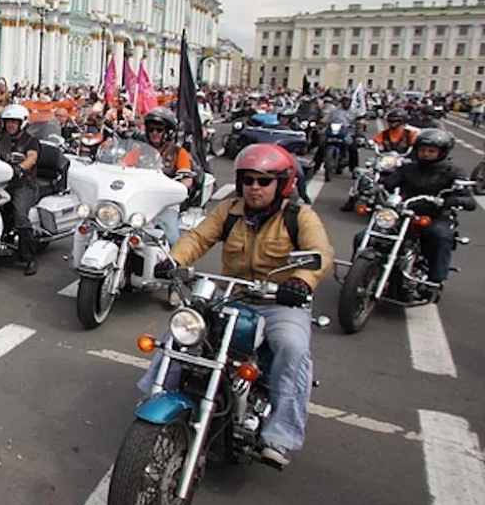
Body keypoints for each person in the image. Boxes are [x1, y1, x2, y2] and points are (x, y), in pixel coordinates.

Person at [149, 143, 334, 469]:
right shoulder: (229, 211)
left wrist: (301, 282)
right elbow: (199, 237)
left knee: (292, 348)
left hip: (279, 301)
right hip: (233, 294)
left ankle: (280, 435)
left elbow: (320, 252)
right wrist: (174, 259)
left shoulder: (299, 216)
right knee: (182, 330)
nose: (254, 188)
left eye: (264, 181)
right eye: (248, 180)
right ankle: (156, 393)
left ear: (283, 184)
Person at [358, 129, 476, 295]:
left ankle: (435, 282)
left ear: (441, 153)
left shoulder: (453, 172)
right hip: (405, 212)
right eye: (423, 150)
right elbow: (388, 183)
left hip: (435, 215)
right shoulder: (408, 168)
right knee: (364, 236)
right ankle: (358, 277)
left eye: (431, 151)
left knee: (439, 236)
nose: (426, 154)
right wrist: (373, 187)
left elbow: (469, 201)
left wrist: (451, 200)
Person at [0, 104, 40, 275]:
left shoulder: (31, 141)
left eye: (14, 122)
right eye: (8, 122)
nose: (10, 125)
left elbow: (32, 158)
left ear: (22, 123)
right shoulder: (1, 139)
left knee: (20, 215)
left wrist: (20, 168)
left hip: (24, 184)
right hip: (1, 182)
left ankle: (29, 258)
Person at [142, 108, 193, 245]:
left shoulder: (178, 152)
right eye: (151, 129)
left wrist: (178, 187)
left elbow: (187, 179)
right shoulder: (140, 150)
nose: (154, 133)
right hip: (140, 201)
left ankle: (174, 262)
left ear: (168, 132)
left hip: (165, 203)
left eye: (159, 130)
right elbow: (121, 164)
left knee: (172, 237)